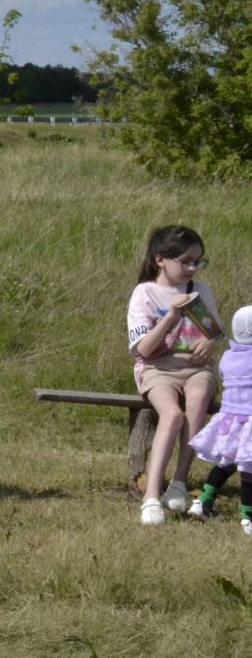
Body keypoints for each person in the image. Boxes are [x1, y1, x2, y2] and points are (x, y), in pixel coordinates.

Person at [128, 224, 222, 526]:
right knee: (172, 416)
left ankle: (179, 482)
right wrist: (171, 315)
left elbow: (212, 333)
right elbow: (143, 349)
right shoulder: (145, 293)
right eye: (186, 261)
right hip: (158, 369)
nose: (192, 268)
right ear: (160, 260)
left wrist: (209, 341)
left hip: (197, 369)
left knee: (197, 404)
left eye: (198, 261)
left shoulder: (201, 291)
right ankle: (151, 496)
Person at [189, 305, 252, 534]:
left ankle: (203, 501)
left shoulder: (227, 357)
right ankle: (248, 518)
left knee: (226, 463)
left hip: (230, 421)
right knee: (248, 471)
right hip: (250, 422)